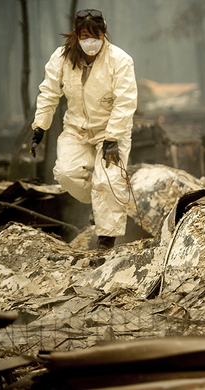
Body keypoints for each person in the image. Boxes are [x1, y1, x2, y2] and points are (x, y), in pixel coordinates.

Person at [29, 9, 137, 250]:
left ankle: (106, 243)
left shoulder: (120, 60)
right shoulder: (61, 58)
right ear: (76, 35)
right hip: (76, 129)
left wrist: (112, 138)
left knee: (108, 181)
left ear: (104, 34)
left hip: (111, 130)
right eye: (85, 35)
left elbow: (126, 101)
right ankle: (100, 208)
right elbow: (48, 93)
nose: (91, 41)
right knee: (66, 174)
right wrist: (40, 126)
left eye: (95, 35)